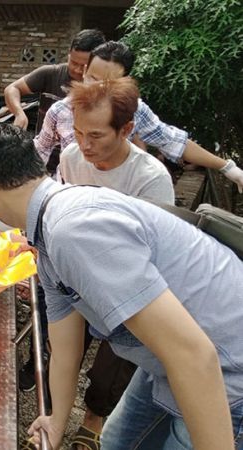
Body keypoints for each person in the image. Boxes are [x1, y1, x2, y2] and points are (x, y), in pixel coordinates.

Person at [0, 125, 243, 450]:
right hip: (168, 362)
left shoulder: (75, 231)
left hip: (225, 370)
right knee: (115, 442)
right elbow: (65, 347)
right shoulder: (48, 236)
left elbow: (194, 354)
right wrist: (57, 422)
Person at [59, 77, 174, 450]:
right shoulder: (71, 159)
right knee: (61, 344)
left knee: (116, 359)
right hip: (77, 276)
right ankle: (55, 415)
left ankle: (93, 420)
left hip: (128, 285)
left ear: (126, 129)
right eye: (77, 132)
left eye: (95, 135)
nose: (84, 145)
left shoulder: (150, 179)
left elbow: (151, 256)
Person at [35, 41, 243, 193]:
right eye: (93, 78)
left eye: (108, 83)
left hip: (122, 201)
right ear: (85, 70)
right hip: (74, 199)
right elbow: (39, 152)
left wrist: (227, 168)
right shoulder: (60, 113)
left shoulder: (134, 111)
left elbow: (172, 140)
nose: (97, 89)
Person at [3, 28, 105, 132]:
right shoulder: (51, 73)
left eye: (84, 66)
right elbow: (12, 89)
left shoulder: (104, 86)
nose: (77, 69)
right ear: (69, 55)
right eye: (73, 62)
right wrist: (19, 113)